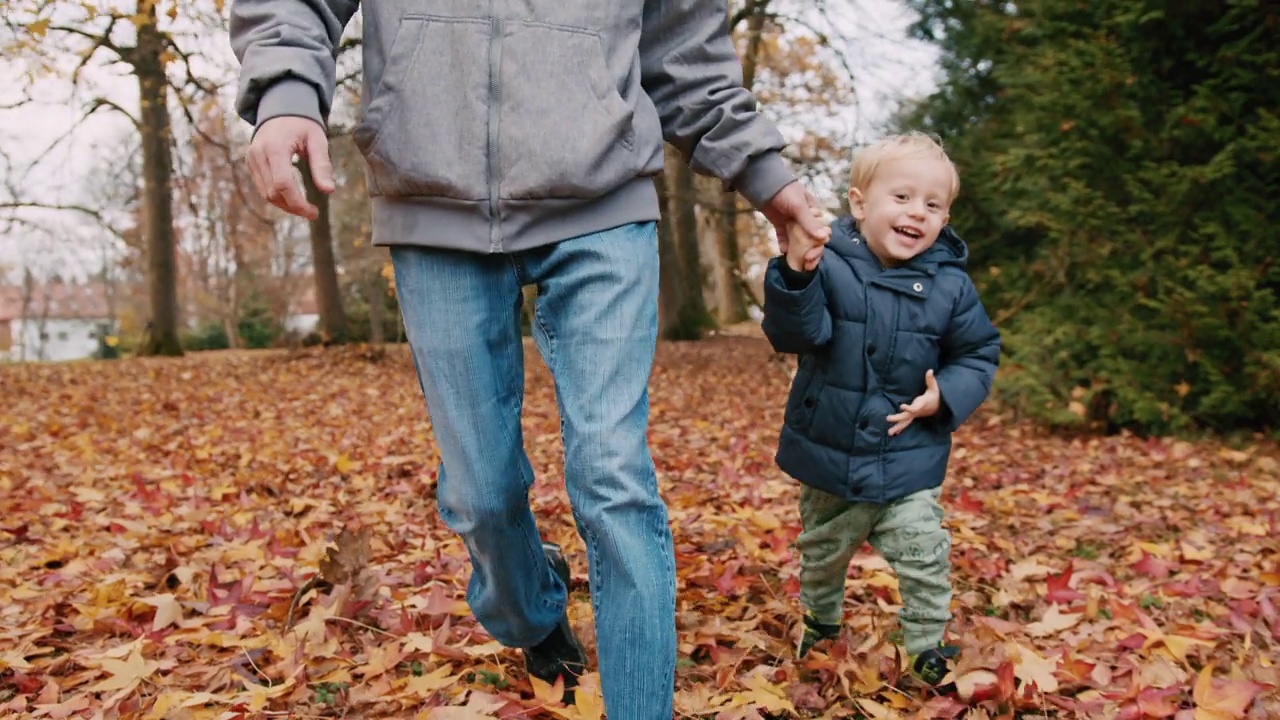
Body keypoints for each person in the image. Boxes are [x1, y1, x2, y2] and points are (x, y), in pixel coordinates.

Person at [229, 1, 831, 716]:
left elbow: (685, 46)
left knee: (613, 475)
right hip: (432, 195)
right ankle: (534, 609)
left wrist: (765, 175)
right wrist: (287, 93)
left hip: (604, 197)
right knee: (480, 494)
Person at [760, 131, 1001, 687]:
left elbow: (978, 351)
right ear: (861, 203)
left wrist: (947, 395)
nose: (918, 212)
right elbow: (797, 332)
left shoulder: (952, 287)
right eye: (903, 197)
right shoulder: (828, 264)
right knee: (821, 551)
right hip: (830, 453)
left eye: (933, 205)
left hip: (907, 454)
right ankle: (821, 622)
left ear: (944, 220)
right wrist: (795, 275)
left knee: (925, 551)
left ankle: (925, 644)